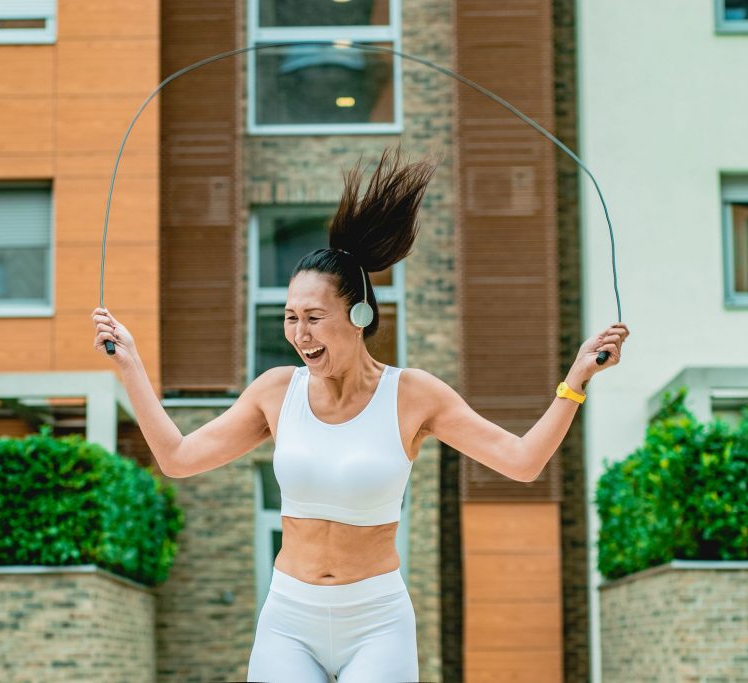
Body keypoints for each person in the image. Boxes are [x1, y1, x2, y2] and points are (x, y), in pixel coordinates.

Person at [90, 144, 630, 682]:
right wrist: (131, 366)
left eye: (314, 317)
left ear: (360, 314)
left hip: (376, 623)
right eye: (290, 317)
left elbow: (522, 461)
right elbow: (178, 458)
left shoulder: (413, 395)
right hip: (288, 619)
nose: (300, 334)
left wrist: (576, 381)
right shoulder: (276, 392)